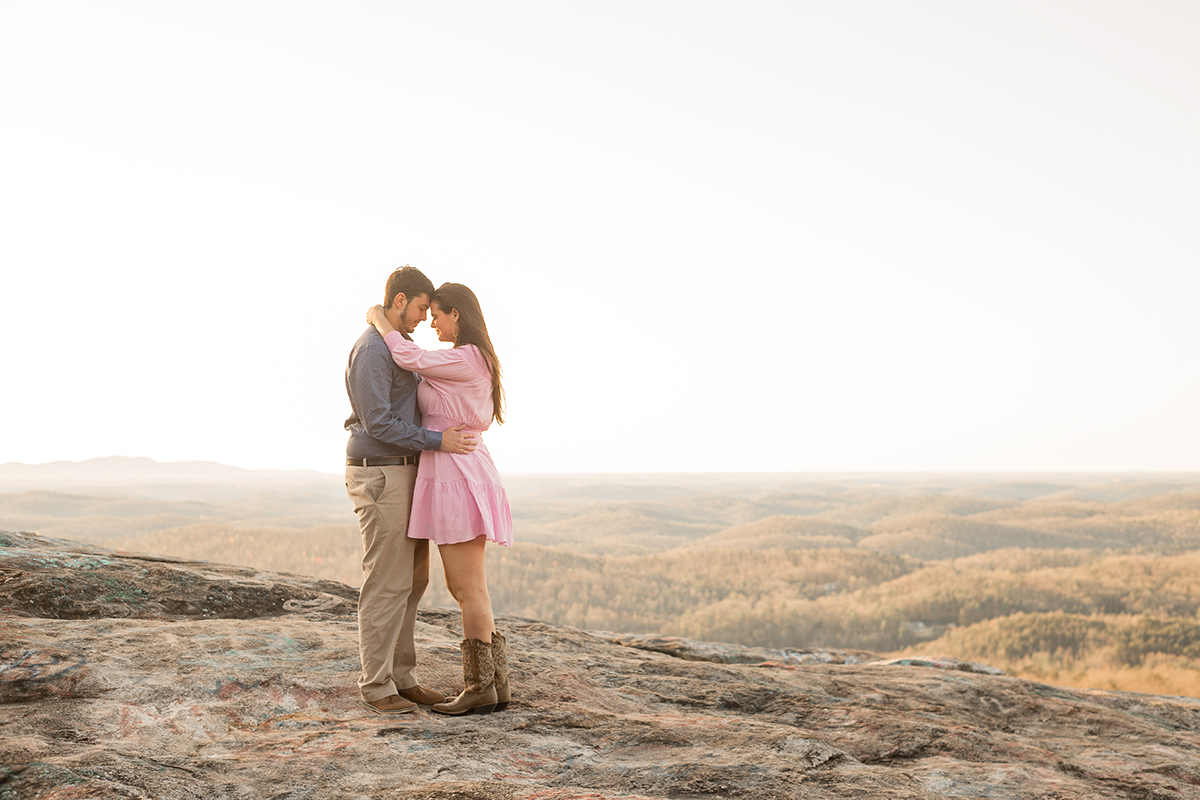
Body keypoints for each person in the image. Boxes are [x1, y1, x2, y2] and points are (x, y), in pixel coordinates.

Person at [367, 281, 513, 716]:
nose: (432, 321)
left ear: (458, 315)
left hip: (456, 474)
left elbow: (408, 357)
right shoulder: (474, 358)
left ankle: (479, 686)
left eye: (438, 314)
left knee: (467, 588)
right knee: (468, 587)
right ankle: (495, 683)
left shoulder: (465, 358)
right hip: (460, 470)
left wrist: (377, 317)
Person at [345, 265, 479, 716]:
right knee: (387, 581)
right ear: (399, 301)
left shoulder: (394, 347)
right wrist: (440, 441)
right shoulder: (371, 351)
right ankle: (376, 684)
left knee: (414, 580)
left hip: (408, 472)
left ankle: (402, 678)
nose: (425, 318)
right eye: (422, 308)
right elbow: (377, 421)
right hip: (382, 472)